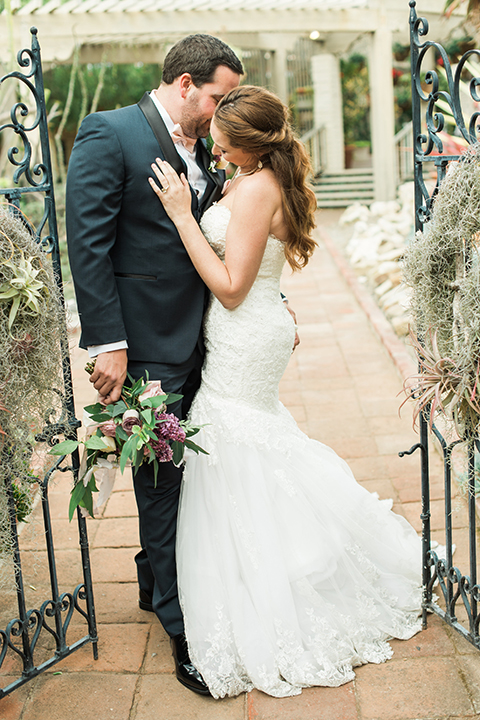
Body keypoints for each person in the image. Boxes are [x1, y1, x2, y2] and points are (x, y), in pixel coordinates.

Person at [149, 84, 422, 699]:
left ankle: (268, 570)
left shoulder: (257, 188)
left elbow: (230, 285)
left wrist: (183, 217)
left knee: (235, 437)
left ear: (249, 142)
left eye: (221, 141)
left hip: (243, 330)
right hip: (257, 326)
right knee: (251, 434)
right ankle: (277, 557)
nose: (213, 149)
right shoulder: (255, 177)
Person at [65, 34, 245, 696]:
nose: (224, 110)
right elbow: (88, 244)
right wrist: (106, 340)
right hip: (142, 349)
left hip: (206, 342)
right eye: (219, 96)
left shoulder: (209, 150)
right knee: (162, 483)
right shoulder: (109, 133)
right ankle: (181, 626)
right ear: (187, 84)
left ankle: (152, 579)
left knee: (186, 477)